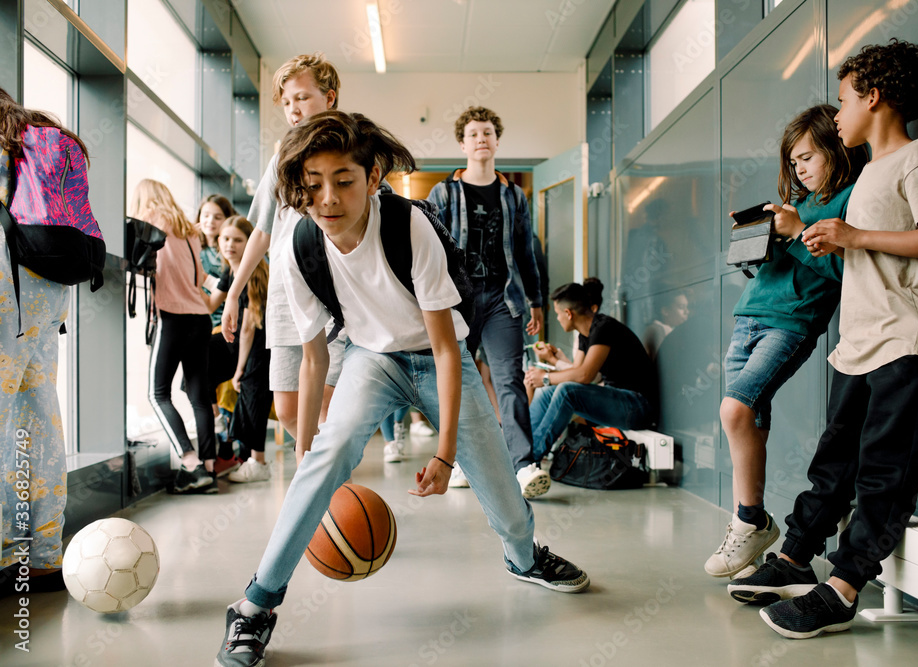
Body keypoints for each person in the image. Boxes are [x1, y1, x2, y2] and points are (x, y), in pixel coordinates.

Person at [214, 110, 589, 667]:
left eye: (344, 180)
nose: (328, 198)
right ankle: (254, 607)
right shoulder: (297, 246)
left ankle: (523, 556)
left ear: (372, 177)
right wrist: (307, 450)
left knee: (502, 490)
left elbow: (443, 348)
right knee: (326, 455)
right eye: (312, 185)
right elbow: (315, 356)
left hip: (436, 356)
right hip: (371, 358)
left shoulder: (409, 225)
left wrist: (443, 454)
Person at [729, 39, 918, 640]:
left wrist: (854, 237)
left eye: (843, 100)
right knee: (832, 462)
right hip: (859, 341)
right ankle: (794, 557)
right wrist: (829, 238)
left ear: (875, 97)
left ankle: (842, 588)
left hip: (906, 338)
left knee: (883, 472)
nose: (837, 115)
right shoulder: (866, 178)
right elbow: (863, 242)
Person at [703, 105, 867, 579]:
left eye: (807, 157)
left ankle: (750, 521)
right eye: (793, 162)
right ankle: (750, 523)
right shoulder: (801, 204)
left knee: (735, 409)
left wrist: (795, 234)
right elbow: (787, 263)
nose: (799, 169)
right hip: (749, 316)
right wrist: (760, 241)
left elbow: (846, 272)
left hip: (791, 323)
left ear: (836, 150)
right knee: (750, 423)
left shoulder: (852, 199)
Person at [220, 52, 344, 464]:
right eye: (287, 101)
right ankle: (324, 480)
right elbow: (262, 230)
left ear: (329, 98)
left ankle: (329, 499)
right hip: (285, 294)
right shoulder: (282, 158)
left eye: (303, 98)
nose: (293, 109)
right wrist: (235, 292)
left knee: (326, 409)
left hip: (335, 295)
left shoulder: (350, 148)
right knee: (290, 412)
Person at [427, 106, 546, 498]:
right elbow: (425, 250)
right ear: (463, 143)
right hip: (456, 301)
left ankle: (525, 465)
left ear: (497, 141)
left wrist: (537, 301)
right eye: (474, 133)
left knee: (509, 379)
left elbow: (527, 251)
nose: (481, 138)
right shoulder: (443, 194)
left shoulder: (514, 196)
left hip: (502, 300)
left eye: (488, 132)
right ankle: (460, 459)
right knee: (456, 381)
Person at [0, 87, 85, 594]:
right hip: (48, 291)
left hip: (5, 287)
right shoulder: (49, 142)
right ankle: (40, 557)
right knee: (37, 421)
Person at [131, 179, 218, 494]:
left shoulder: (151, 223)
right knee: (199, 396)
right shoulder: (188, 230)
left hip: (172, 318)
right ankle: (209, 469)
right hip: (200, 317)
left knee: (158, 394)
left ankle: (190, 463)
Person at [524, 279, 656, 464]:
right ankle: (520, 449)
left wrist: (545, 377)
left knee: (566, 391)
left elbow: (585, 375)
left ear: (568, 313)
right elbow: (577, 373)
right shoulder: (585, 334)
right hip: (619, 403)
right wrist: (551, 366)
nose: (557, 318)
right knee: (548, 393)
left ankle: (530, 459)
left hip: (638, 406)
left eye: (557, 314)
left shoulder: (604, 328)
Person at [212, 217, 273, 483]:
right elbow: (212, 300)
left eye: (238, 240)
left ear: (250, 243)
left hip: (261, 345)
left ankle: (258, 462)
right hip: (247, 344)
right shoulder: (229, 270)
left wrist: (238, 369)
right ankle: (247, 455)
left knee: (253, 394)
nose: (230, 245)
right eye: (225, 239)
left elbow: (249, 325)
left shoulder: (254, 271)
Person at [196, 194, 238, 436]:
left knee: (220, 382)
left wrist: (199, 277)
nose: (210, 221)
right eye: (206, 215)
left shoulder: (228, 249)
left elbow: (228, 286)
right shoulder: (195, 247)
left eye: (217, 216)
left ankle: (221, 427)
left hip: (224, 324)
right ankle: (216, 423)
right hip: (200, 322)